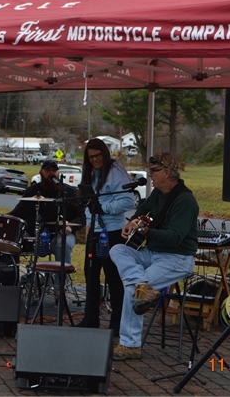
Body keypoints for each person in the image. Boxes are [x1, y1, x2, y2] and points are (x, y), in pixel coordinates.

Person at [110, 152, 198, 360]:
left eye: (153, 170)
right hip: (153, 253)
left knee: (133, 289)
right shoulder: (159, 193)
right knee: (117, 249)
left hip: (177, 258)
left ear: (167, 173)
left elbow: (174, 238)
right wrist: (132, 222)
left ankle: (130, 344)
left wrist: (146, 232)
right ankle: (141, 283)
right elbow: (143, 210)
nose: (149, 174)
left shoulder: (185, 201)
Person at [77, 138, 134, 336]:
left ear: (105, 153)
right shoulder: (92, 174)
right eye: (91, 157)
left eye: (98, 155)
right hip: (96, 231)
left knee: (114, 279)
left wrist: (103, 208)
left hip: (113, 232)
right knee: (91, 276)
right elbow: (91, 202)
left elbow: (128, 200)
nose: (95, 160)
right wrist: (89, 222)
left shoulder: (115, 170)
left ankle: (117, 325)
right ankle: (90, 319)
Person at [8, 160, 86, 268]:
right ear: (41, 173)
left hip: (60, 234)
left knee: (63, 243)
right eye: (48, 170)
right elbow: (17, 212)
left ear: (58, 173)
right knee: (13, 240)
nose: (51, 173)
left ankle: (62, 282)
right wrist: (3, 219)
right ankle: (13, 276)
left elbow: (81, 217)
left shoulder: (68, 192)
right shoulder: (32, 191)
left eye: (54, 170)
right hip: (33, 234)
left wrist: (70, 226)